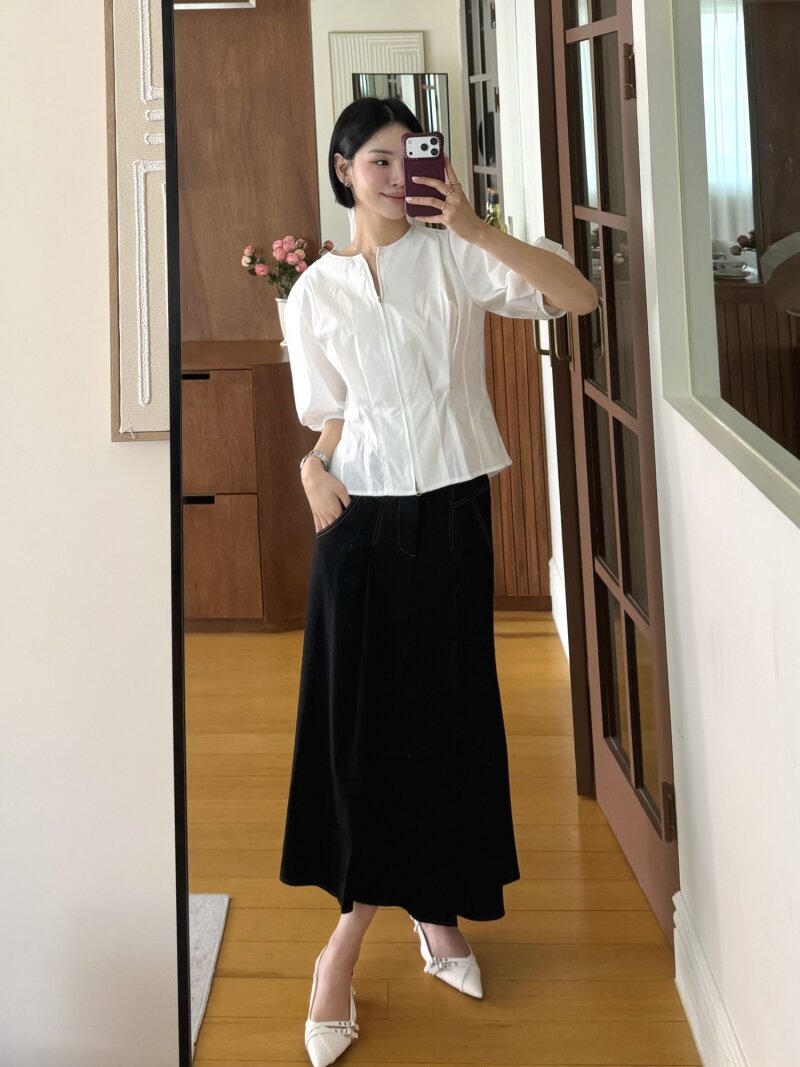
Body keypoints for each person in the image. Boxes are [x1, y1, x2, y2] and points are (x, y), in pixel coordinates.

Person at [279, 97, 597, 1067]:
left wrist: (474, 225)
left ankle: (433, 911)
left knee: (445, 722)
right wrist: (310, 467)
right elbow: (329, 413)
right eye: (373, 160)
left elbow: (576, 295)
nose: (391, 174)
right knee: (363, 734)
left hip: (452, 514)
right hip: (357, 522)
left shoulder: (456, 254)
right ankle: (343, 950)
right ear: (342, 171)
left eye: (405, 156)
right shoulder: (313, 292)